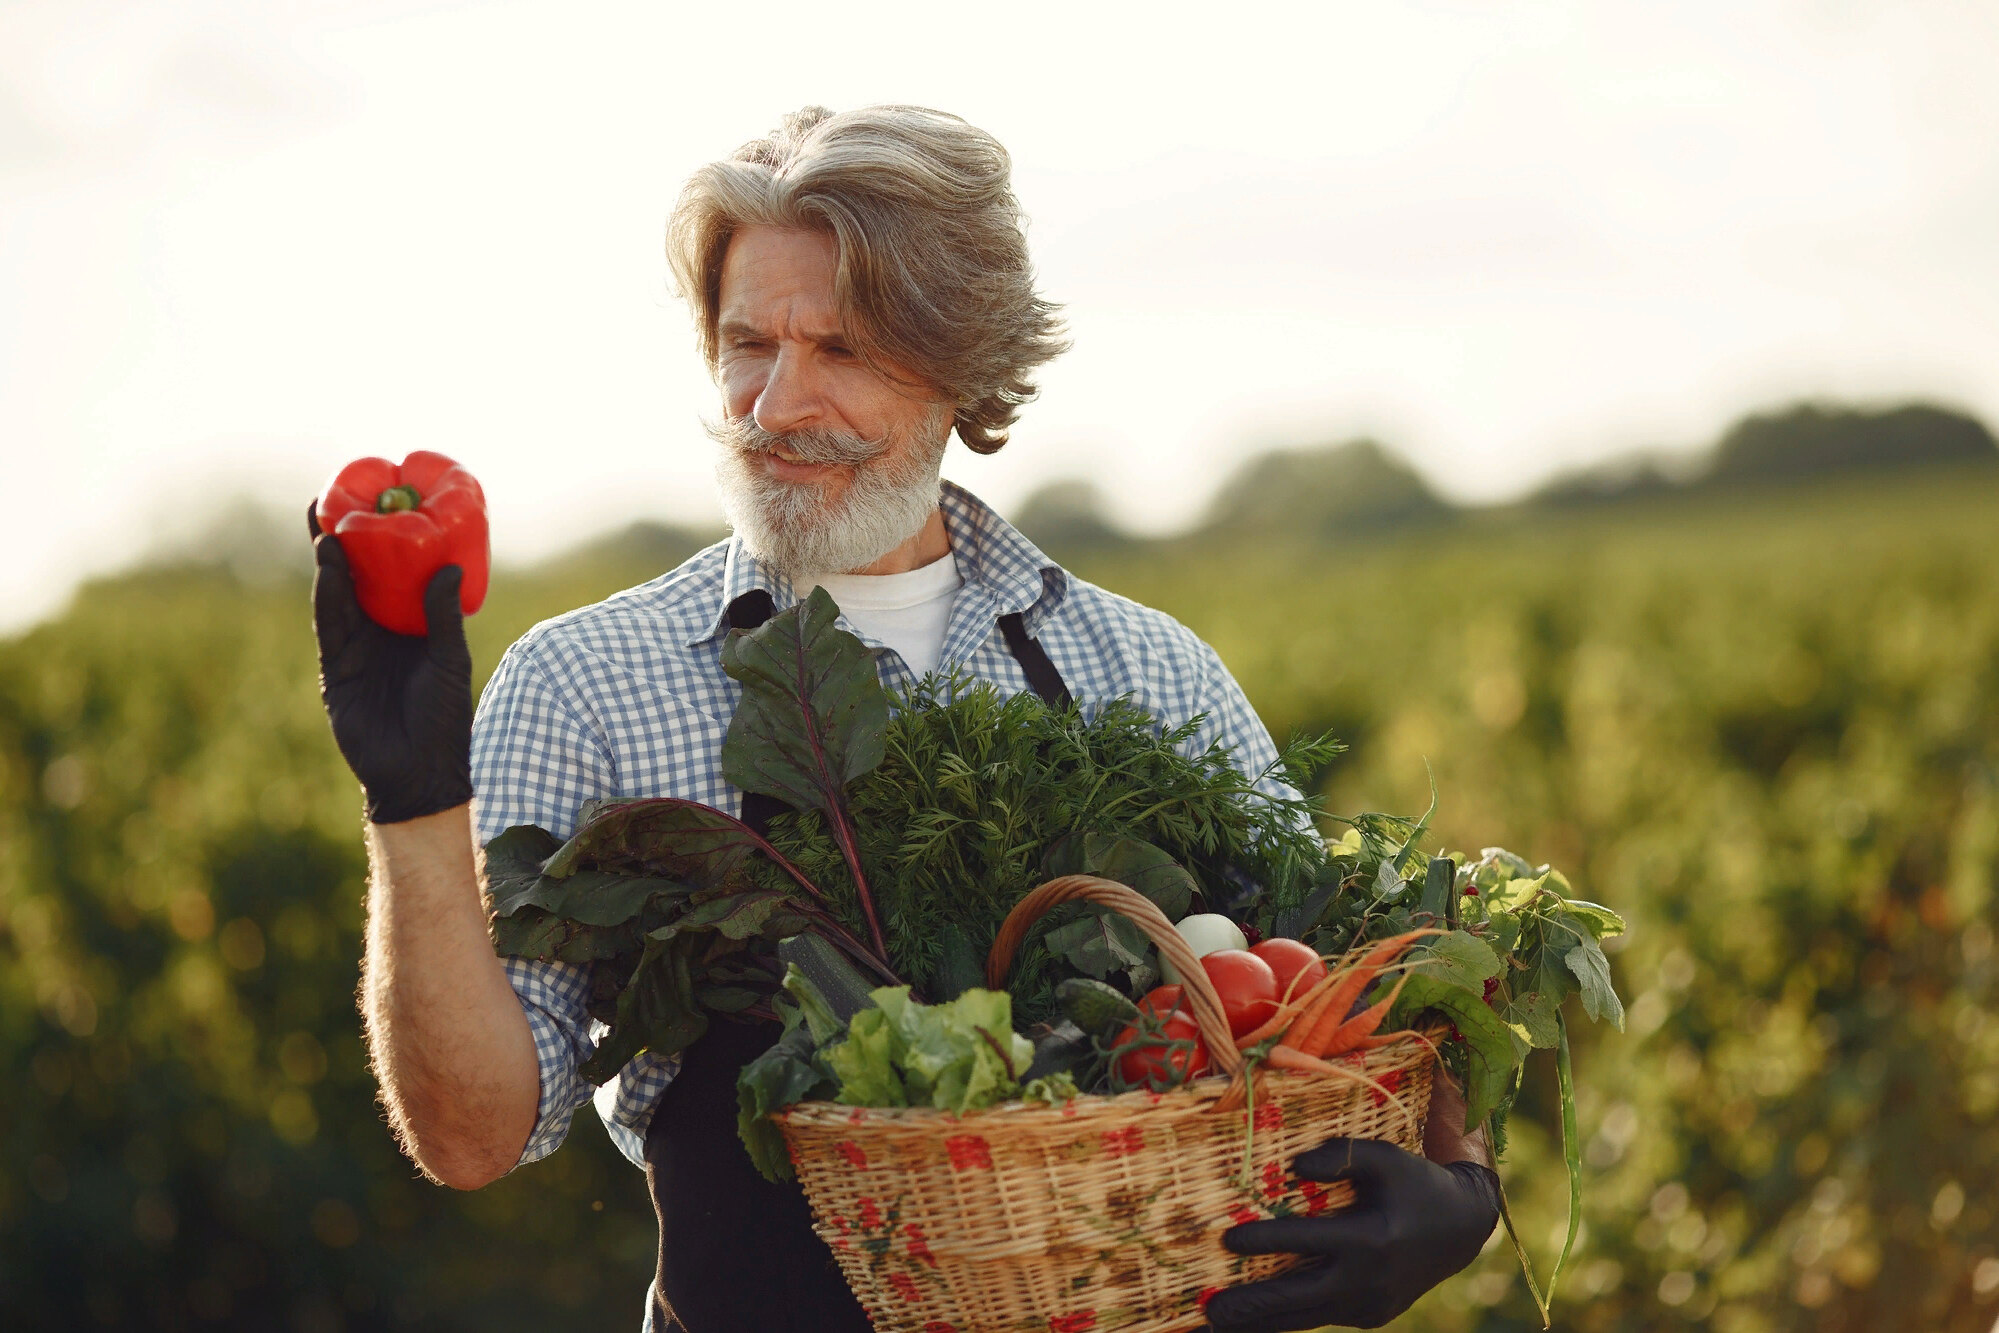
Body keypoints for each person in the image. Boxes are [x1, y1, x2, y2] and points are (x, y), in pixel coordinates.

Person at [309, 104, 1500, 1333]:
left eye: (842, 349)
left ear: (963, 364)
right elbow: (472, 1138)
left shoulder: (1146, 670)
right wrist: (410, 805)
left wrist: (1455, 1187)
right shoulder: (590, 681)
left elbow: (1332, 1000)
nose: (778, 404)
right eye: (747, 344)